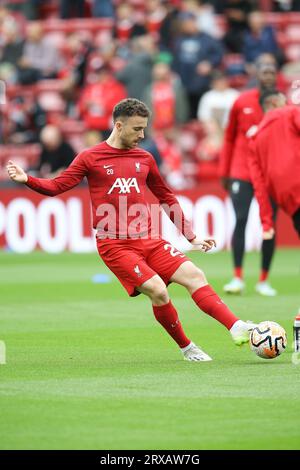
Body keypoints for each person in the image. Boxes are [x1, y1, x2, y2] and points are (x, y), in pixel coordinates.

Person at [6, 98, 256, 362]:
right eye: (137, 129)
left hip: (149, 239)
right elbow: (57, 186)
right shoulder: (90, 157)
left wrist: (191, 236)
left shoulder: (145, 158)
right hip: (115, 245)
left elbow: (166, 196)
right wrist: (27, 180)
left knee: (195, 274)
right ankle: (187, 347)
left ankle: (235, 326)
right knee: (158, 290)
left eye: (144, 128)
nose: (142, 135)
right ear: (119, 125)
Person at [219, 58, 279, 296]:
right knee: (241, 219)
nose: (267, 75)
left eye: (271, 71)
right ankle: (237, 277)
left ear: (275, 76)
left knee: (269, 224)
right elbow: (229, 137)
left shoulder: (282, 105)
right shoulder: (241, 101)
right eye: (264, 71)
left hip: (269, 174)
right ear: (257, 74)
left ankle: (264, 279)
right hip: (242, 171)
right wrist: (224, 171)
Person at [248, 90, 300, 238]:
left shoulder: (254, 139)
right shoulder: (290, 113)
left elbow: (259, 184)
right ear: (275, 102)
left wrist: (267, 223)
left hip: (288, 199)